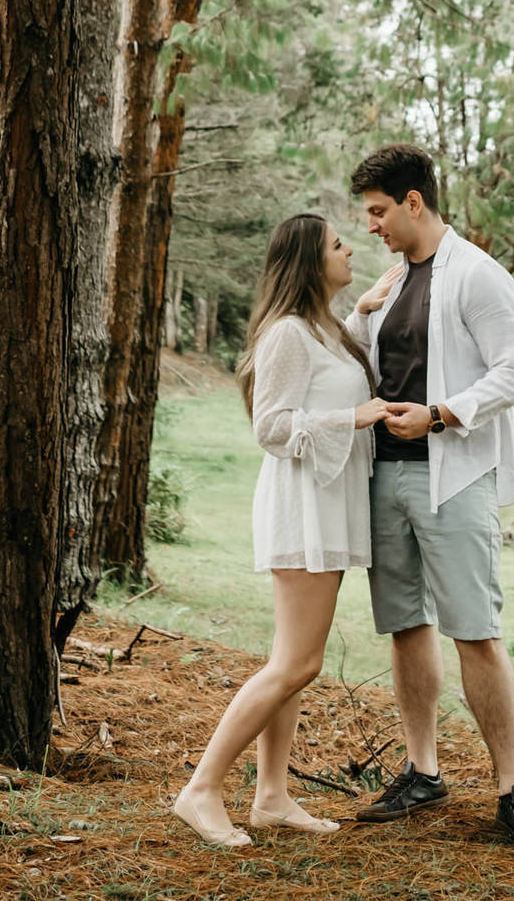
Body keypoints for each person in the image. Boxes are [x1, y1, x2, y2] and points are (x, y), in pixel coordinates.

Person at [343, 144, 514, 859]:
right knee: (407, 624)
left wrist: (440, 413)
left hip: (455, 476)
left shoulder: (477, 275)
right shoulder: (391, 279)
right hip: (386, 477)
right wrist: (360, 310)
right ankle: (423, 770)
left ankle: (513, 790)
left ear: (414, 202)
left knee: (475, 629)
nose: (370, 226)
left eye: (378, 212)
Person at [170, 213, 395, 849]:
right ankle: (202, 788)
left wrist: (361, 313)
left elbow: (324, 374)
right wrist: (354, 418)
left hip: (324, 504)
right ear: (306, 261)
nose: (350, 247)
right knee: (298, 663)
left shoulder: (322, 329)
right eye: (336, 244)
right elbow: (270, 426)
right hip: (304, 508)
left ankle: (270, 797)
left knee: (291, 663)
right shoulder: (287, 334)